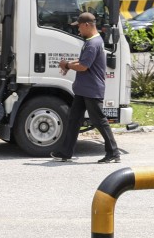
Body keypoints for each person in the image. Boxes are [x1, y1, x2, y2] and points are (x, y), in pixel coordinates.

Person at [51, 11, 121, 163]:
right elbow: (82, 61)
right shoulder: (93, 41)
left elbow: (83, 66)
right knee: (73, 119)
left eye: (80, 27)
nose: (78, 30)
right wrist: (69, 65)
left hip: (91, 89)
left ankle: (113, 152)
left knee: (99, 121)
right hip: (84, 89)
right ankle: (65, 152)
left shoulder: (92, 43)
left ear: (87, 25)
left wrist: (67, 65)